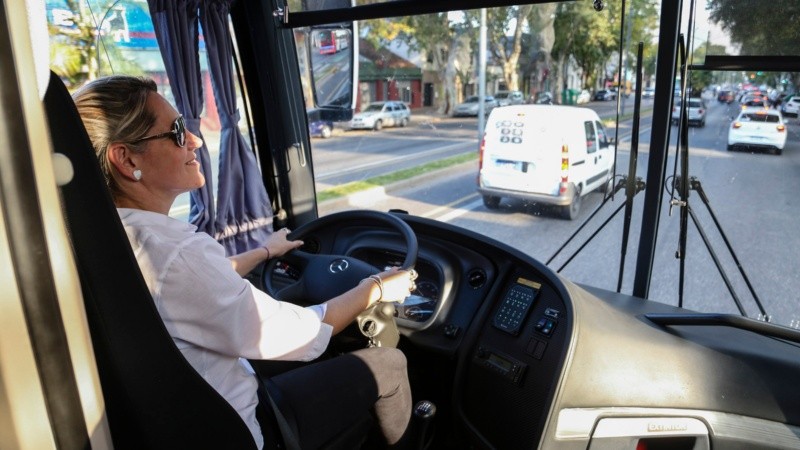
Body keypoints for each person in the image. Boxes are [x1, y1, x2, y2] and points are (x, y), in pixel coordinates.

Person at [72, 75, 417, 449]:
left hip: (178, 419)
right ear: (125, 158)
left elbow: (190, 290)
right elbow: (301, 334)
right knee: (390, 365)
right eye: (175, 132)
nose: (195, 140)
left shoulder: (107, 240)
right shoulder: (176, 253)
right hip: (236, 427)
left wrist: (264, 252)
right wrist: (377, 287)